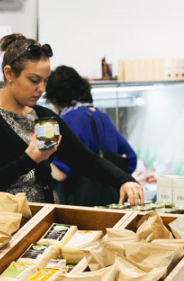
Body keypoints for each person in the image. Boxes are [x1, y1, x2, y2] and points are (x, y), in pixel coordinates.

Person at [0, 33, 144, 206]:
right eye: (34, 80)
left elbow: (86, 160)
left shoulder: (44, 117)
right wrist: (29, 159)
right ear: (9, 74)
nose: (42, 89)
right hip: (4, 225)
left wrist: (124, 180)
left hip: (46, 221)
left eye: (45, 81)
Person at [45, 65, 138, 206]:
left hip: (82, 204)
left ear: (55, 97)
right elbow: (130, 159)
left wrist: (41, 159)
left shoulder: (71, 118)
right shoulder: (101, 115)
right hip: (111, 201)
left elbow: (61, 173)